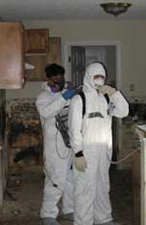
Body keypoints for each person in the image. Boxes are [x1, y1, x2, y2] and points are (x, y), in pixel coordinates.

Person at [68, 62, 129, 225]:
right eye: (96, 76)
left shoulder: (106, 98)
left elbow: (123, 112)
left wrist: (114, 93)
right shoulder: (78, 100)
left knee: (102, 186)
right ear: (88, 76)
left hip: (104, 153)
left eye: (102, 77)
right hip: (86, 154)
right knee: (84, 189)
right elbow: (74, 130)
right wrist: (78, 153)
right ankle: (83, 222)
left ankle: (103, 218)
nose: (99, 80)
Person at [36, 63, 76, 225]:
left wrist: (70, 96)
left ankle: (69, 209)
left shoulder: (66, 94)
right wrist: (63, 98)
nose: (59, 81)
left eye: (61, 78)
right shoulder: (43, 97)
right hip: (53, 146)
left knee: (69, 179)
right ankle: (48, 215)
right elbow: (47, 112)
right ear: (49, 80)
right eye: (55, 79)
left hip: (68, 144)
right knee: (55, 179)